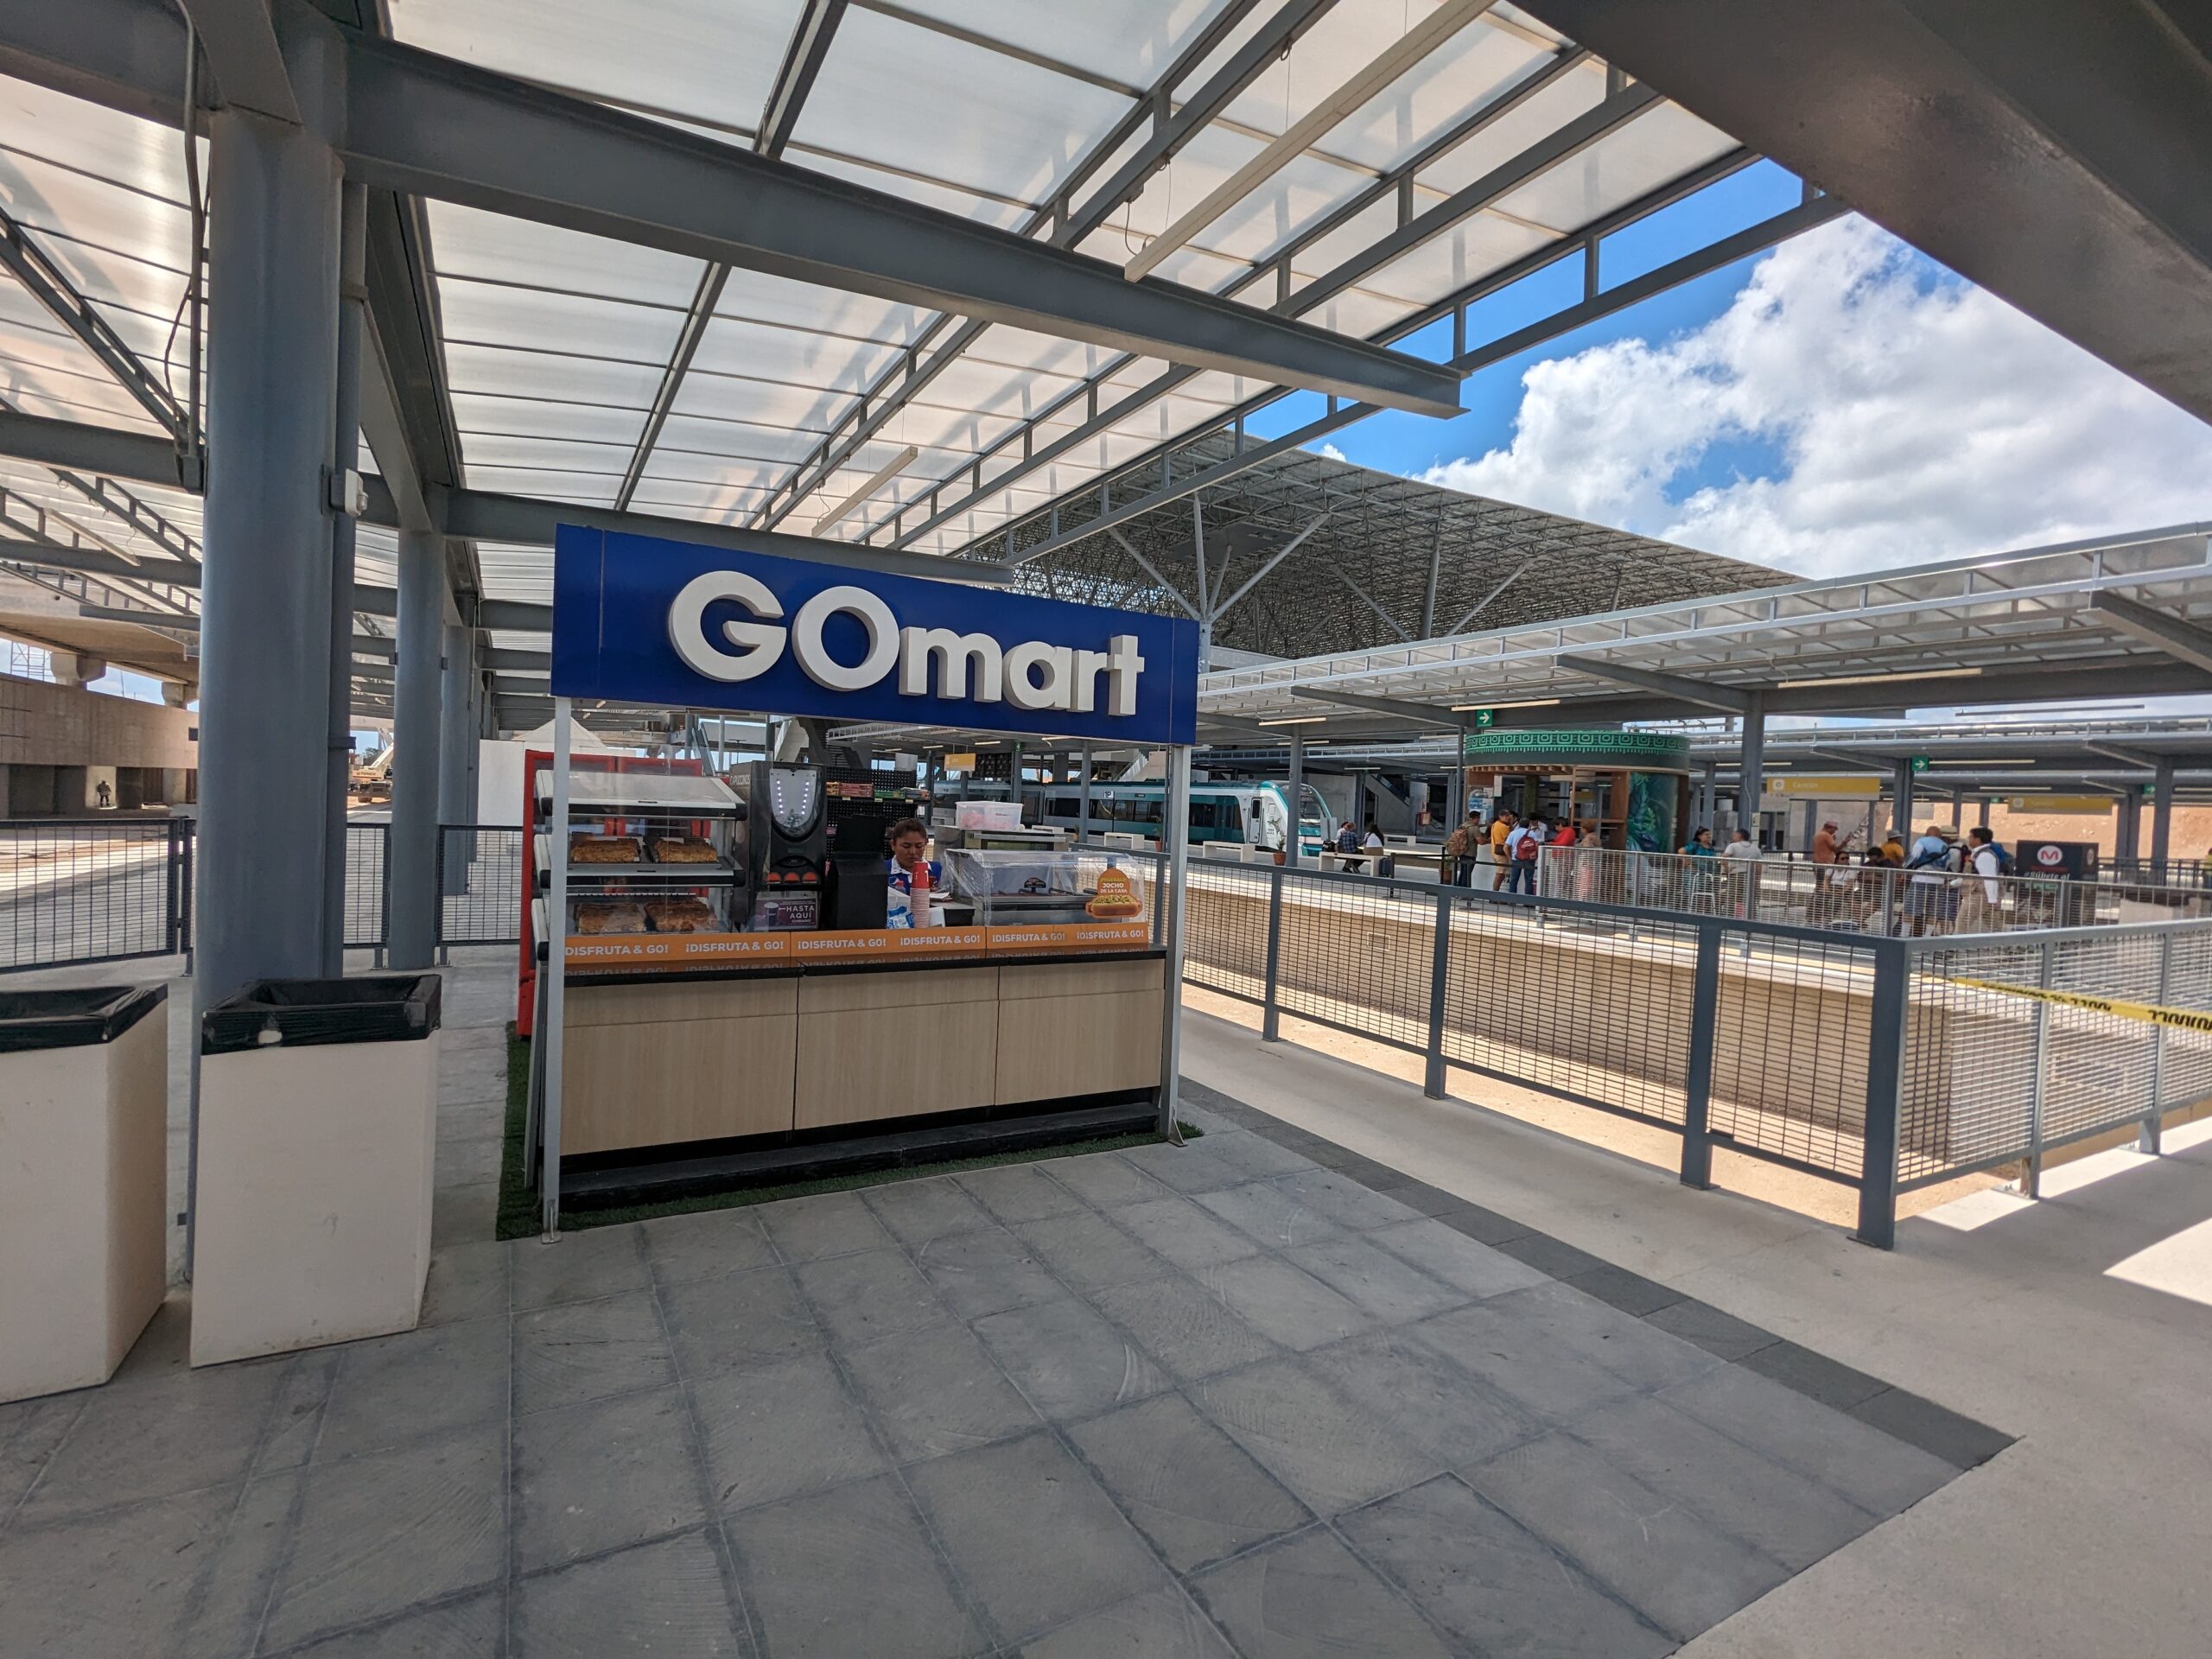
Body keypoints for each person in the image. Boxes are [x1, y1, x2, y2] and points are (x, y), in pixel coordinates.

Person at [886, 817, 942, 926]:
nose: (912, 852)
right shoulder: (882, 871)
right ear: (893, 845)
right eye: (906, 846)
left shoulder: (938, 870)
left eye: (919, 846)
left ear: (926, 844)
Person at [1903, 822, 1950, 936]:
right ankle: (1927, 936)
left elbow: (1915, 856)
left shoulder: (1922, 842)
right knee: (1933, 911)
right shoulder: (1945, 846)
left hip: (1921, 879)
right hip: (1939, 881)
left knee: (1910, 908)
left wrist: (1904, 868)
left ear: (1926, 834)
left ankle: (1904, 935)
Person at [1960, 825, 2005, 933]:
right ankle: (2010, 945)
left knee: (1962, 921)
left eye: (1971, 836)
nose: (1968, 839)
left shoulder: (1985, 855)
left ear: (1978, 839)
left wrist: (1992, 900)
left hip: (1979, 895)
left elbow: (1989, 878)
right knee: (1996, 926)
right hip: (1983, 896)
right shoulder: (1979, 854)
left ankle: (1955, 947)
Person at [1505, 815, 1543, 893]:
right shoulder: (1532, 833)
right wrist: (1536, 857)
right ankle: (1527, 903)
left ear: (1519, 824)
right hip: (1529, 859)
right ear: (1528, 824)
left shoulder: (1513, 833)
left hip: (1516, 859)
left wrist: (1509, 858)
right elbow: (1536, 846)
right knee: (1529, 880)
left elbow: (1505, 847)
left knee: (1513, 880)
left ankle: (1512, 900)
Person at [1442, 806, 1480, 886]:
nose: (1479, 820)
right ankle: (1465, 893)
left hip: (1462, 851)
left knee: (1463, 872)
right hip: (1470, 853)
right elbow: (1481, 841)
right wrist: (1489, 840)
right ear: (1475, 818)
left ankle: (1459, 890)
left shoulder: (1463, 825)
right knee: (1467, 874)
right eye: (1478, 818)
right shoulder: (1474, 828)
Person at [1489, 810, 1517, 889]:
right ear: (1501, 816)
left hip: (1495, 851)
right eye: (1506, 816)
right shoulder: (1503, 826)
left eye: (1509, 816)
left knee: (1501, 874)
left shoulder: (1495, 824)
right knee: (1500, 874)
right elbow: (1509, 838)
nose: (1508, 818)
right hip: (1502, 853)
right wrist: (1511, 823)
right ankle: (1495, 895)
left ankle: (1495, 894)